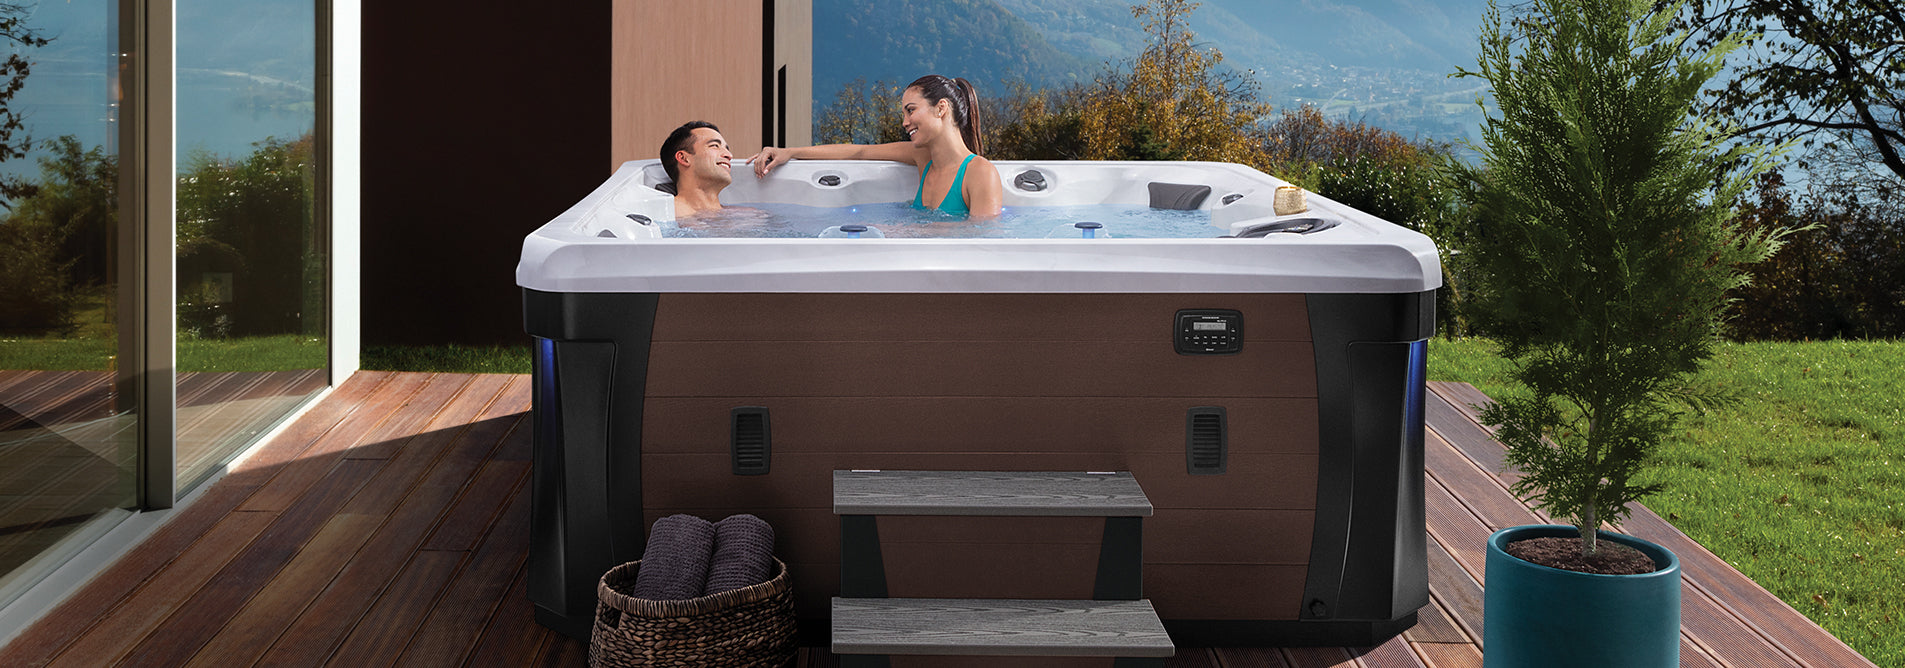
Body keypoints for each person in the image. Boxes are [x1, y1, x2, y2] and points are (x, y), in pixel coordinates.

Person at [746, 75, 1002, 219]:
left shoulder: (979, 173)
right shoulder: (923, 158)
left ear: (941, 108)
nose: (905, 122)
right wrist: (790, 152)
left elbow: (985, 249)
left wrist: (909, 235)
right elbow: (859, 152)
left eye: (911, 111)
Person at [660, 121, 734, 218]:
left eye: (727, 148)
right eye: (715, 145)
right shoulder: (666, 212)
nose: (729, 155)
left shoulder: (744, 213)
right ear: (683, 158)